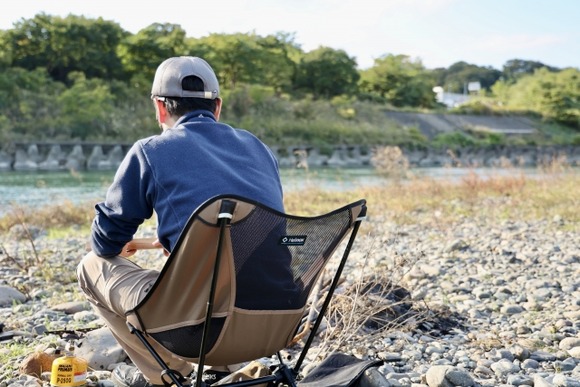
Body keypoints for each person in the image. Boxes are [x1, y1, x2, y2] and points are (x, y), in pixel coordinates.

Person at [76, 56, 284, 386]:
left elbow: (105, 243)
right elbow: (258, 226)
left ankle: (172, 374)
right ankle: (228, 368)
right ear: (217, 107)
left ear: (160, 108)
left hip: (200, 327)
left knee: (90, 266)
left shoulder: (151, 151)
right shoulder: (258, 148)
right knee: (212, 284)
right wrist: (181, 240)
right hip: (274, 321)